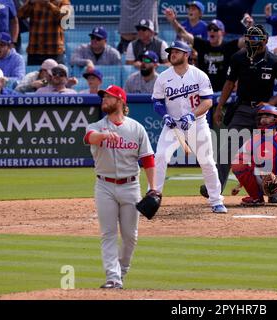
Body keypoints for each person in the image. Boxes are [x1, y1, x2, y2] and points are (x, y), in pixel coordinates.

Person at [201, 24, 277, 202]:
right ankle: (215, 189)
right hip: (242, 108)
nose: (252, 42)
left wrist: (270, 104)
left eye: (256, 38)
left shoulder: (275, 62)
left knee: (269, 152)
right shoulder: (238, 57)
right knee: (228, 148)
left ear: (265, 40)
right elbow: (229, 83)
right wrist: (219, 107)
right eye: (249, 38)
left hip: (265, 113)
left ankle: (273, 191)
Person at [84, 85, 157, 289]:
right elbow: (89, 138)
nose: (103, 100)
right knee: (108, 233)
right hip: (104, 186)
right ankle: (113, 278)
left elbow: (148, 160)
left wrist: (154, 188)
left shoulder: (136, 128)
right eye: (103, 97)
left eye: (108, 97)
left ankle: (122, 271)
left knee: (130, 236)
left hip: (130, 186)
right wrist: (104, 136)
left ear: (120, 101)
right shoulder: (96, 126)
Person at [152, 40, 227, 214]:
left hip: (197, 123)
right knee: (161, 157)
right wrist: (164, 114)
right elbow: (156, 102)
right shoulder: (163, 77)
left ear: (186, 54)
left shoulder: (199, 75)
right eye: (171, 52)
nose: (172, 54)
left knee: (207, 161)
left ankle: (216, 200)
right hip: (173, 125)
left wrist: (192, 115)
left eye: (177, 51)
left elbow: (208, 101)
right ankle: (154, 197)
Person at [165, 9, 243, 92]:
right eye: (209, 29)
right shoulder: (202, 45)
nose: (211, 31)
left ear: (222, 33)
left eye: (215, 29)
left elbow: (246, 41)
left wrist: (250, 26)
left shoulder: (229, 46)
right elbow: (182, 33)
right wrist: (173, 21)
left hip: (223, 93)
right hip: (205, 91)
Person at [18, 0, 71, 65]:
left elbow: (66, 20)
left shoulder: (63, 1)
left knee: (56, 74)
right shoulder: (33, 2)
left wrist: (48, 4)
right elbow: (19, 15)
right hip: (35, 50)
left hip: (54, 51)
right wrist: (30, 3)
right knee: (33, 74)